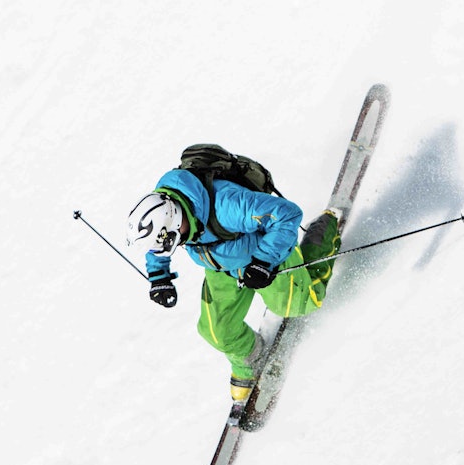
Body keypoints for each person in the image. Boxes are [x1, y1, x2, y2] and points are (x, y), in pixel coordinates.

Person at [126, 165, 341, 401]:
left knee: (301, 304)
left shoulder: (228, 205)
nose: (172, 247)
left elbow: (287, 214)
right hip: (221, 267)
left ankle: (324, 229)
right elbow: (155, 246)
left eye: (172, 241)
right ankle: (251, 360)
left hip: (262, 257)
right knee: (217, 331)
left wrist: (264, 261)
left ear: (177, 222)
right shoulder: (163, 207)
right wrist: (159, 277)